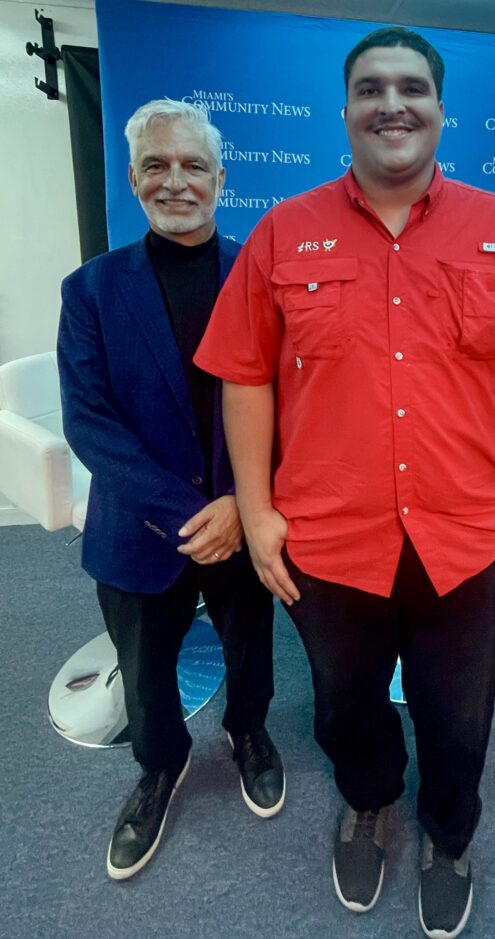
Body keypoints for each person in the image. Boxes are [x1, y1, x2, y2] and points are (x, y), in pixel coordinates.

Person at [195, 27, 495, 939]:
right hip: (327, 535)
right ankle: (368, 802)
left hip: (465, 530)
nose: (390, 104)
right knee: (343, 701)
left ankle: (449, 834)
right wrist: (254, 508)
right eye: (370, 89)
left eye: (411, 88)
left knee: (459, 710)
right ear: (345, 109)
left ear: (442, 110)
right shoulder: (284, 231)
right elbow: (243, 375)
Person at [57, 100, 284, 882]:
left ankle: (249, 732)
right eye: (157, 165)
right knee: (147, 671)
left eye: (193, 165)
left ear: (221, 178)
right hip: (143, 526)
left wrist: (240, 508)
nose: (175, 181)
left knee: (250, 648)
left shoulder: (267, 276)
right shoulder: (89, 291)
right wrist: (192, 515)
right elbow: (88, 423)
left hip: (243, 514)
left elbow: (298, 403)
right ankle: (158, 769)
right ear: (132, 178)